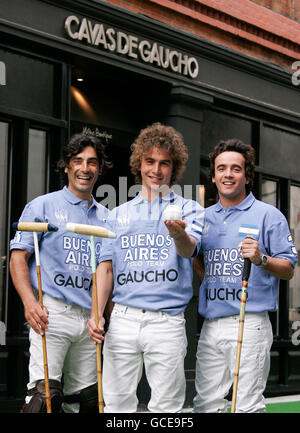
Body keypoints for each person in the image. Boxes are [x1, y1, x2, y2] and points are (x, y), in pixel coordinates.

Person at [88, 122, 204, 413]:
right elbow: (106, 270)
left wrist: (178, 233)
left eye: (165, 163)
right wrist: (97, 314)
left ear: (174, 168)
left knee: (166, 407)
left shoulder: (190, 209)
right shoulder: (118, 214)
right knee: (116, 404)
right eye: (150, 161)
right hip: (123, 320)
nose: (157, 170)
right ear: (139, 164)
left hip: (167, 321)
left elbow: (190, 250)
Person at [193, 138, 298, 413]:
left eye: (236, 169)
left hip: (249, 321)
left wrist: (261, 258)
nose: (228, 174)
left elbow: (288, 268)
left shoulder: (268, 215)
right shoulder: (203, 217)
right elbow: (199, 262)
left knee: (246, 406)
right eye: (221, 168)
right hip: (211, 322)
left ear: (247, 176)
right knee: (205, 405)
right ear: (213, 176)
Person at [9, 133, 111, 413]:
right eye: (77, 161)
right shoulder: (42, 206)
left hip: (90, 319)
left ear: (99, 168)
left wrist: (100, 314)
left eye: (92, 162)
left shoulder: (106, 217)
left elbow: (107, 272)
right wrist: (30, 303)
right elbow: (18, 258)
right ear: (66, 166)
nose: (85, 168)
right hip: (51, 314)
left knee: (87, 402)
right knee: (43, 400)